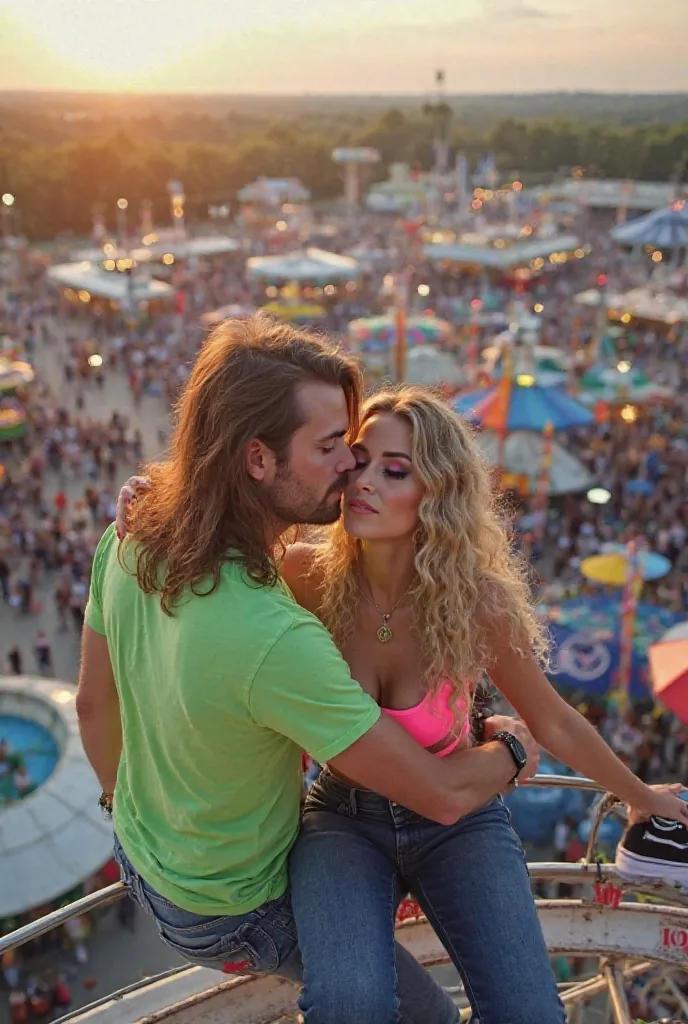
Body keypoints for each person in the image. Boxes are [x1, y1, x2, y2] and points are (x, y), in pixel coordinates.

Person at [80, 316, 535, 1024]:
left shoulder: (130, 538)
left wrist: (120, 810)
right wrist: (510, 748)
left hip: (142, 861)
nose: (351, 466)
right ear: (257, 460)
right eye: (331, 447)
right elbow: (443, 795)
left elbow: (92, 709)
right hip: (238, 907)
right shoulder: (276, 635)